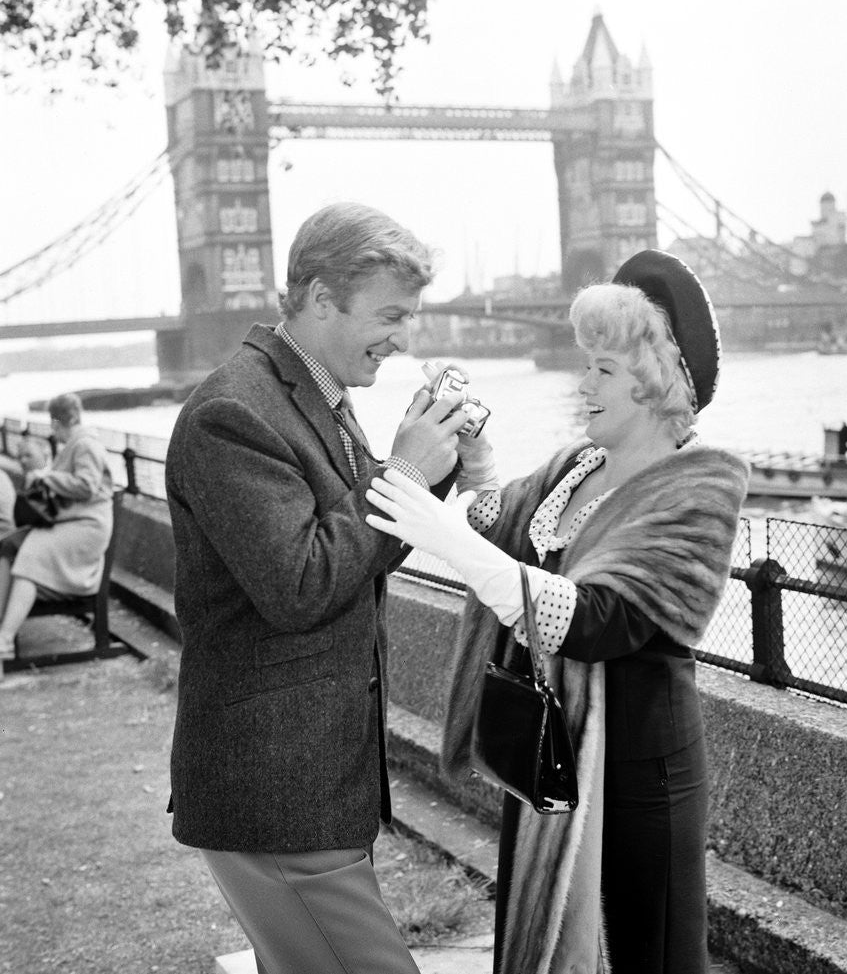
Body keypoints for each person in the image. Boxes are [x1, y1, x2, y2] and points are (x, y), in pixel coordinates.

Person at [365, 250, 749, 974]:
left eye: (602, 368)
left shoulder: (700, 485)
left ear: (655, 378)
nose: (585, 382)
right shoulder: (579, 463)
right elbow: (497, 523)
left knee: (655, 956)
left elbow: (600, 618)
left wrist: (439, 533)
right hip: (552, 754)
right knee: (548, 943)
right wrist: (473, 455)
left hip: (640, 766)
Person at [164, 201, 471, 974]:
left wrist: (427, 464)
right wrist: (403, 471)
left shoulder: (313, 396)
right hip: (277, 794)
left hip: (312, 786)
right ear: (321, 298)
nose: (405, 336)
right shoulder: (234, 410)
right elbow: (301, 582)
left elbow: (353, 551)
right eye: (391, 314)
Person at [0, 395, 113, 677]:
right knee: (10, 545)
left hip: (87, 526)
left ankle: (4, 641)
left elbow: (86, 486)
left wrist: (44, 477)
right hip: (74, 523)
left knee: (30, 556)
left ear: (56, 422)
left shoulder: (85, 444)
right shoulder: (79, 443)